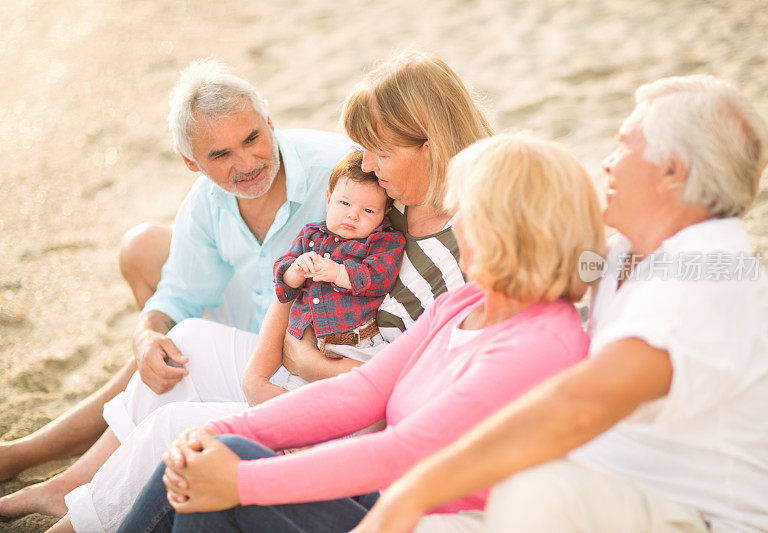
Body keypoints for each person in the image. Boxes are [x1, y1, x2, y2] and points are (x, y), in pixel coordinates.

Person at [39, 51, 493, 533]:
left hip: (350, 397)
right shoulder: (390, 196)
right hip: (316, 361)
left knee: (179, 436)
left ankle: (79, 516)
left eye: (377, 151)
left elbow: (413, 385)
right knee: (185, 342)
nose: (362, 163)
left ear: (428, 145)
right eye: (364, 149)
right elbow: (289, 275)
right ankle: (74, 490)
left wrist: (306, 365)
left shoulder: (461, 243)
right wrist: (263, 368)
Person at [353, 75, 768, 533]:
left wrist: (417, 486)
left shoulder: (706, 275)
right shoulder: (630, 251)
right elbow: (549, 266)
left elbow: (579, 406)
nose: (608, 163)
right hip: (622, 498)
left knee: (532, 488)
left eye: (625, 146)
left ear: (673, 171)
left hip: (710, 519)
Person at [119, 132, 607, 533]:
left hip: (418, 519)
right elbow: (363, 391)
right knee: (207, 453)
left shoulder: (542, 344)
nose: (458, 228)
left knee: (217, 469)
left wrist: (244, 482)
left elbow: (405, 452)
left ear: (516, 228)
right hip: (378, 495)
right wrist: (225, 429)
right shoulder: (467, 301)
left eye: (471, 215)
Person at [0, 59, 354, 518]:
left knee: (181, 350)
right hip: (257, 329)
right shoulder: (207, 201)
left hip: (313, 349)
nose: (246, 164)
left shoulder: (335, 170)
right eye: (220, 155)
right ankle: (63, 475)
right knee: (162, 326)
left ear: (270, 122)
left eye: (252, 138)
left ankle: (43, 463)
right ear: (191, 163)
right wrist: (144, 334)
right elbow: (176, 297)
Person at [273, 149, 405, 390]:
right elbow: (283, 286)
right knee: (293, 402)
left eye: (368, 211)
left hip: (361, 345)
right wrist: (297, 270)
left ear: (384, 214)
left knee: (376, 397)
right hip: (313, 345)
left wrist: (338, 273)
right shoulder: (311, 235)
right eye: (344, 203)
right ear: (328, 198)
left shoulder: (383, 241)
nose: (352, 215)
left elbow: (379, 277)